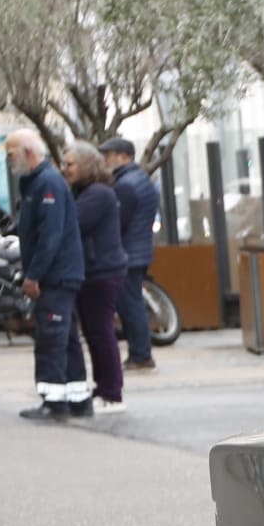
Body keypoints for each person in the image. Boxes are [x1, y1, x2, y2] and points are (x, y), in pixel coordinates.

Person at [6, 129, 89, 421]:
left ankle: (54, 402)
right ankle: (78, 398)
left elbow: (49, 236)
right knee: (65, 337)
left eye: (11, 154)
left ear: (27, 152)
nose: (9, 161)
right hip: (61, 273)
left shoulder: (47, 183)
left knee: (51, 338)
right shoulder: (41, 183)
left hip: (55, 275)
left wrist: (34, 275)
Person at [66, 144, 128, 413]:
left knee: (101, 332)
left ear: (87, 165)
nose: (65, 169)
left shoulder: (98, 194)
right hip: (94, 270)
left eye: (71, 164)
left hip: (101, 271)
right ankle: (103, 387)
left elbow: (73, 224)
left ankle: (112, 392)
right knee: (94, 332)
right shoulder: (85, 192)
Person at [102, 137, 159, 370]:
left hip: (128, 253)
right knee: (132, 302)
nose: (105, 161)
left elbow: (117, 222)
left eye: (109, 156)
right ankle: (140, 353)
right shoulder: (141, 179)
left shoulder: (125, 185)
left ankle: (140, 355)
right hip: (139, 250)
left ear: (124, 157)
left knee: (130, 305)